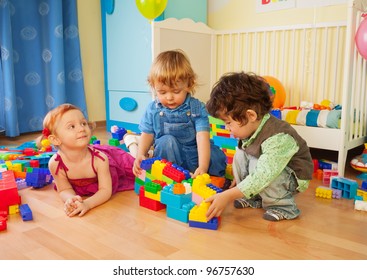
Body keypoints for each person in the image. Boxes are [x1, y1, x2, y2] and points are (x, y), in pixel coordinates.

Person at [205, 72, 314, 221]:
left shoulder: (278, 137)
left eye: (228, 122)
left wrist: (228, 195)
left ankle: (284, 207)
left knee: (259, 165)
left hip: (291, 176)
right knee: (240, 153)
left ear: (251, 116)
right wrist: (240, 182)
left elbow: (264, 174)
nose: (226, 127)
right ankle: (254, 197)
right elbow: (244, 156)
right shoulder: (250, 128)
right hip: (267, 170)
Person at [130, 49, 227, 178]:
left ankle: (211, 177)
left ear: (189, 84)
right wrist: (140, 154)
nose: (169, 97)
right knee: (166, 141)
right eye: (162, 92)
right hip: (170, 160)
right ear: (153, 86)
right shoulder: (153, 109)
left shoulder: (196, 107)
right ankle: (173, 176)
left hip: (195, 156)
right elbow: (147, 133)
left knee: (215, 154)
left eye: (176, 91)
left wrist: (203, 166)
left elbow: (202, 137)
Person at [38, 103, 135, 217]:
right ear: (55, 139)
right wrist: (71, 199)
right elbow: (64, 189)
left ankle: (134, 142)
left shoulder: (100, 159)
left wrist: (87, 204)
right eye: (72, 126)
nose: (81, 128)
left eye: (83, 123)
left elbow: (105, 190)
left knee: (135, 167)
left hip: (114, 159)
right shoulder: (55, 163)